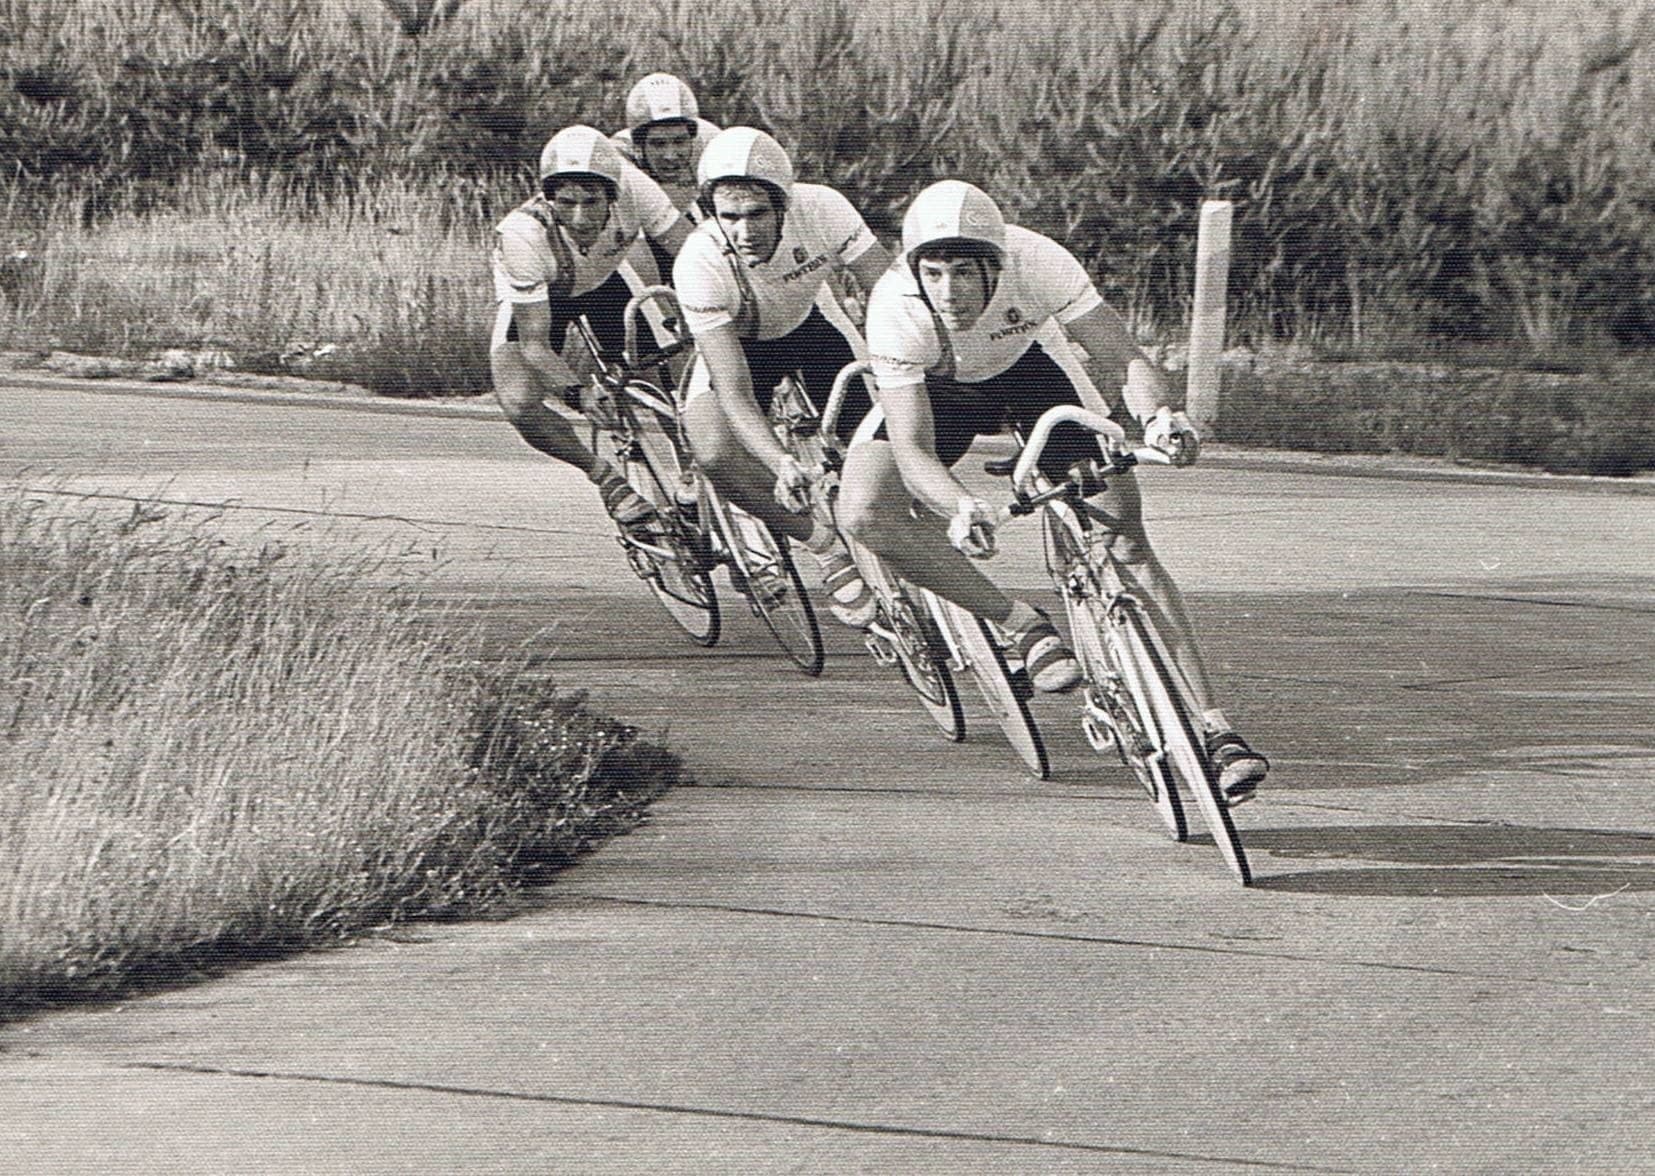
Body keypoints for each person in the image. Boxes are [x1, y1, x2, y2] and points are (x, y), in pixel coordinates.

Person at [836, 179, 1269, 801]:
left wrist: (1160, 419)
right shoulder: (894, 307)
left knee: (1125, 540)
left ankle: (1213, 728)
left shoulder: (1038, 261)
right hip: (939, 390)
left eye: (964, 273)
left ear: (995, 265)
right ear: (916, 272)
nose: (949, 292)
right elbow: (912, 447)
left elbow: (1122, 357)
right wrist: (959, 505)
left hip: (1034, 373)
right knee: (864, 512)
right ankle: (1019, 625)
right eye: (934, 273)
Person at [671, 126, 893, 626]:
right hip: (743, 345)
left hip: (814, 326)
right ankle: (824, 546)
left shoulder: (823, 209)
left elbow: (888, 290)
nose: (744, 231)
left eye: (757, 214)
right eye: (729, 217)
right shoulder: (699, 262)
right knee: (714, 451)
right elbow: (734, 392)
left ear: (784, 206)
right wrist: (781, 461)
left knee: (879, 439)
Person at [489, 125, 693, 530]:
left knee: (666, 374)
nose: (580, 218)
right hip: (546, 295)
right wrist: (577, 393)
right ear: (548, 199)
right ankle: (604, 477)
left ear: (613, 195)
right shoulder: (521, 236)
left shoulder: (635, 187)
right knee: (518, 402)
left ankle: (693, 470)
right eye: (566, 203)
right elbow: (535, 344)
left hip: (607, 280)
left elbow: (691, 249)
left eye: (592, 202)